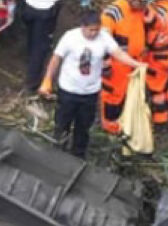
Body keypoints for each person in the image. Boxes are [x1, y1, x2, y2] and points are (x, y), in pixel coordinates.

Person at [37, 9, 145, 158]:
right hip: (69, 90)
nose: (94, 33)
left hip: (90, 92)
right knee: (62, 123)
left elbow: (118, 53)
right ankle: (57, 151)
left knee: (83, 127)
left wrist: (136, 64)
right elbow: (56, 59)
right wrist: (47, 79)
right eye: (90, 30)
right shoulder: (70, 37)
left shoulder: (104, 38)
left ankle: (78, 154)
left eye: (96, 30)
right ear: (83, 26)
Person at [99, 0, 154, 134]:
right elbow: (104, 39)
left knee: (129, 94)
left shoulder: (141, 7)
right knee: (113, 95)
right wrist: (106, 64)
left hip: (136, 61)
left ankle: (124, 120)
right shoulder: (113, 13)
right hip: (118, 64)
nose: (144, 0)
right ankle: (109, 125)